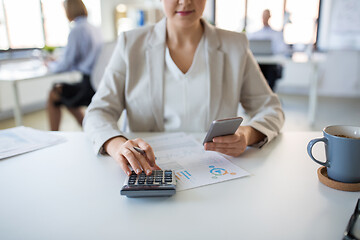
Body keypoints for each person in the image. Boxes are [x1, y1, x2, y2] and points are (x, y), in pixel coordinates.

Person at [83, 0, 285, 176]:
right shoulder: (131, 44)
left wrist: (247, 134)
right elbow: (98, 112)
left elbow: (270, 109)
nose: (185, 1)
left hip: (215, 172)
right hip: (149, 170)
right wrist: (117, 144)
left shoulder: (235, 46)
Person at [46, 0, 102, 131]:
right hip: (99, 82)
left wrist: (51, 66)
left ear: (69, 10)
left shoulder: (77, 30)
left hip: (89, 86)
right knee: (65, 95)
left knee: (55, 92)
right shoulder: (95, 28)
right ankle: (87, 128)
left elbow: (66, 63)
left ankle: (53, 135)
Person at [247, 9, 287, 90]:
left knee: (271, 73)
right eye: (263, 16)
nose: (264, 18)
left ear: (270, 17)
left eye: (266, 16)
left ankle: (269, 97)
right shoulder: (255, 34)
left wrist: (272, 51)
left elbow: (282, 49)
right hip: (258, 63)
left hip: (271, 65)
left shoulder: (276, 34)